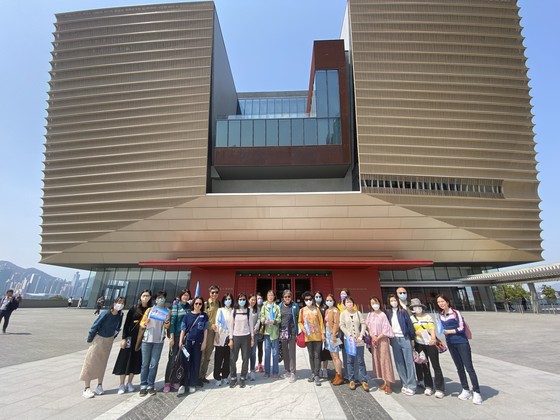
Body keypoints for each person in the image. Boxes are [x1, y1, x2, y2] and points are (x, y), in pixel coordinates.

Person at [437, 294, 482, 405]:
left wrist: (450, 331)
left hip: (461, 342)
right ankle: (465, 389)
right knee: (459, 367)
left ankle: (476, 391)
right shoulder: (440, 315)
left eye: (442, 301)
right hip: (451, 343)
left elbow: (461, 328)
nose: (441, 303)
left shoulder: (455, 313)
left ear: (447, 301)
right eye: (439, 302)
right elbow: (441, 328)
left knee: (469, 367)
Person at [80, 296, 125, 398]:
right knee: (91, 362)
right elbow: (95, 325)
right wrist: (90, 338)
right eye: (119, 302)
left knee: (102, 363)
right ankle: (86, 388)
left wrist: (114, 336)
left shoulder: (120, 315)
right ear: (114, 303)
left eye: (123, 303)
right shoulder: (106, 313)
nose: (121, 304)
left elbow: (118, 327)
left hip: (109, 340)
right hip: (99, 338)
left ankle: (99, 385)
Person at [112, 290, 152, 394]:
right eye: (144, 295)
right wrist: (124, 338)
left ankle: (129, 382)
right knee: (125, 358)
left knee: (135, 359)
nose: (145, 298)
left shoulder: (151, 310)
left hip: (142, 338)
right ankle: (121, 384)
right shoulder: (134, 308)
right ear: (140, 297)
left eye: (147, 296)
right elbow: (126, 324)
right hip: (130, 337)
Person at [409, 298, 444, 398]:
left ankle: (440, 388)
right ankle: (428, 386)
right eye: (415, 307)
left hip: (430, 343)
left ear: (421, 307)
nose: (417, 309)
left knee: (435, 365)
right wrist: (416, 333)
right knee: (424, 365)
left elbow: (432, 328)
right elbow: (411, 330)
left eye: (418, 307)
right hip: (419, 344)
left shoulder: (427, 316)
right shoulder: (412, 319)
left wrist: (433, 338)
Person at [139, 291, 170, 396]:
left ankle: (150, 385)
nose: (160, 299)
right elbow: (142, 323)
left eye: (162, 298)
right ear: (155, 299)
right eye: (159, 298)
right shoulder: (150, 310)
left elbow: (166, 327)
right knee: (145, 364)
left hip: (158, 341)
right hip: (147, 340)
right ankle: (143, 385)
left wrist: (167, 322)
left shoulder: (166, 311)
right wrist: (145, 323)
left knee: (154, 364)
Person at [386, 293, 416, 396]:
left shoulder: (403, 311)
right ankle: (404, 383)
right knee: (399, 362)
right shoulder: (388, 313)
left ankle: (412, 385)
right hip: (394, 339)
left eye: (394, 300)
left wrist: (412, 338)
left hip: (405, 338)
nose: (393, 302)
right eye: (391, 301)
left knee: (408, 362)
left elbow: (410, 325)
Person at [178, 296, 209, 396]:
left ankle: (192, 383)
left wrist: (204, 342)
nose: (198, 305)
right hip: (187, 342)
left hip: (198, 343)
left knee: (196, 363)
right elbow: (183, 329)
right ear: (193, 304)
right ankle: (183, 384)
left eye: (200, 304)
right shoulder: (187, 316)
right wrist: (180, 341)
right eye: (196, 303)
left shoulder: (204, 316)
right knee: (185, 362)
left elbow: (205, 330)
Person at [365, 296, 395, 394]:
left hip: (382, 340)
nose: (375, 304)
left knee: (385, 360)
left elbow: (386, 328)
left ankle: (388, 384)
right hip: (374, 341)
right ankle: (384, 382)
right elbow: (368, 326)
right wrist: (373, 336)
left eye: (376, 302)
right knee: (378, 360)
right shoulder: (370, 315)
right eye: (372, 303)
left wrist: (378, 337)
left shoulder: (383, 314)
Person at [163, 289, 191, 392]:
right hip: (175, 336)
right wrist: (171, 337)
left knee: (181, 360)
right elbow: (173, 322)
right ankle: (167, 382)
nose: (186, 297)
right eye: (184, 295)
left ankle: (176, 380)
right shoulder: (176, 306)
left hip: (185, 337)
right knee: (172, 359)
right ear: (180, 296)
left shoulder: (189, 307)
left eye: (187, 295)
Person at [339, 295, 368, 391]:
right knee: (350, 360)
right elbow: (342, 325)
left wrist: (361, 335)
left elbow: (363, 324)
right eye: (347, 302)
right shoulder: (343, 314)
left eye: (350, 302)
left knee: (360, 360)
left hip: (359, 340)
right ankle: (352, 379)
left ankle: (364, 380)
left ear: (353, 303)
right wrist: (349, 335)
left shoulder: (358, 313)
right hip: (349, 340)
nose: (349, 304)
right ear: (345, 304)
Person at [299, 291, 325, 386]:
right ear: (304, 300)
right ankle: (313, 373)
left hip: (317, 336)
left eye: (310, 299)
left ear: (312, 300)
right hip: (308, 336)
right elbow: (300, 322)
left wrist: (323, 334)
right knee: (311, 355)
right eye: (306, 299)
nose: (308, 301)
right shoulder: (302, 310)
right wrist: (303, 329)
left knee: (317, 355)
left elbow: (321, 322)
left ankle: (317, 374)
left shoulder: (316, 310)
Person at [229, 292, 255, 388]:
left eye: (244, 299)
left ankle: (243, 377)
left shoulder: (249, 311)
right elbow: (231, 326)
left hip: (246, 337)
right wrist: (231, 339)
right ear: (237, 300)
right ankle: (233, 377)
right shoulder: (234, 311)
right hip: (236, 337)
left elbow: (251, 325)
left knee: (245, 358)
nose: (242, 301)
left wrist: (252, 338)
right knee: (233, 358)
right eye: (240, 299)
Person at [200, 285, 220, 386]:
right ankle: (197, 376)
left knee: (208, 355)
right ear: (209, 293)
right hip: (205, 332)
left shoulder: (218, 304)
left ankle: (203, 376)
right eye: (212, 292)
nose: (214, 294)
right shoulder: (204, 304)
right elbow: (201, 319)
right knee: (201, 355)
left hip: (213, 333)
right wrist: (209, 324)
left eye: (216, 292)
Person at [213, 293, 233, 386]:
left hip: (229, 338)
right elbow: (216, 322)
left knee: (227, 358)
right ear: (224, 300)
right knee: (218, 358)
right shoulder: (220, 310)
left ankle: (225, 376)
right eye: (226, 299)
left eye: (230, 299)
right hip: (220, 337)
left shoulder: (233, 310)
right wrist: (216, 333)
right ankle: (217, 377)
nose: (228, 300)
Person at [279, 289, 299, 383]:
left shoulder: (295, 306)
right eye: (286, 297)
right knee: (285, 352)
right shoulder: (279, 306)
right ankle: (286, 370)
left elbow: (298, 317)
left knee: (292, 352)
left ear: (291, 297)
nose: (287, 298)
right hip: (282, 331)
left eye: (289, 296)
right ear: (283, 298)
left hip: (292, 331)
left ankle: (293, 372)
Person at [324, 293, 344, 385]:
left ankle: (339, 375)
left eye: (330, 300)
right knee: (332, 355)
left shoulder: (336, 310)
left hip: (333, 335)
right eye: (327, 300)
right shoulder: (327, 310)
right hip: (328, 334)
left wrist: (334, 334)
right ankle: (337, 374)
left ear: (334, 301)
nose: (328, 302)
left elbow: (336, 323)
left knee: (336, 356)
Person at [260, 289, 280, 378]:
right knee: (267, 352)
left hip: (274, 332)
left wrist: (274, 321)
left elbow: (279, 318)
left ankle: (275, 372)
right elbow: (261, 316)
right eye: (269, 295)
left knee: (275, 353)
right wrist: (264, 321)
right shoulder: (264, 306)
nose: (270, 297)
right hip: (267, 332)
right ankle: (267, 371)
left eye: (272, 295)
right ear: (267, 297)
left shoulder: (277, 307)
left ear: (274, 297)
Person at [315, 290, 331, 378]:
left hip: (326, 332)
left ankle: (325, 369)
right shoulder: (312, 307)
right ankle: (318, 369)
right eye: (316, 296)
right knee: (317, 351)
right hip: (316, 332)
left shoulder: (325, 307)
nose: (318, 298)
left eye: (319, 296)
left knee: (325, 351)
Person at [248, 293, 261, 380]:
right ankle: (245, 371)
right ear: (248, 300)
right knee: (245, 353)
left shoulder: (257, 309)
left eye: (254, 300)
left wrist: (256, 327)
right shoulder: (245, 309)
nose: (253, 301)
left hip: (255, 334)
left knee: (253, 352)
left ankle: (252, 370)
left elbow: (259, 319)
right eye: (252, 299)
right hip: (246, 334)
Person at [255, 292, 265, 372]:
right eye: (258, 298)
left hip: (263, 331)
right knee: (253, 350)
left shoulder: (264, 307)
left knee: (260, 348)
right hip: (254, 331)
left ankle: (260, 363)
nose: (259, 300)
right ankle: (253, 365)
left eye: (260, 298)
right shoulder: (253, 308)